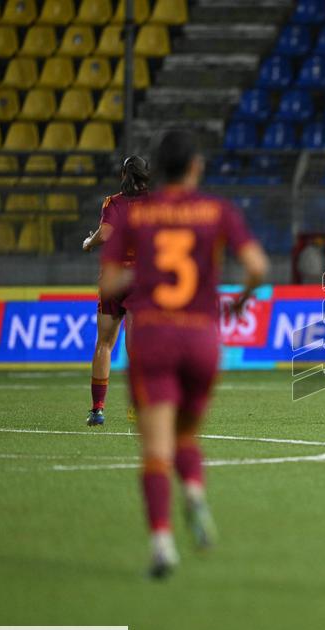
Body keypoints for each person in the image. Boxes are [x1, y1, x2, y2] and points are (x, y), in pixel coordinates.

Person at [100, 130, 269, 577]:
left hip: (153, 336)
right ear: (195, 167)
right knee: (186, 436)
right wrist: (237, 301)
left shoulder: (136, 215)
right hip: (201, 338)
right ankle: (193, 490)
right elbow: (257, 268)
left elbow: (110, 283)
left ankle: (161, 543)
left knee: (156, 449)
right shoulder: (218, 210)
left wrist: (145, 280)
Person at [82, 155, 150, 427]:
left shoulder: (114, 203)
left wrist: (89, 242)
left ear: (123, 173)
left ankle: (97, 410)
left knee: (104, 344)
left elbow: (106, 233)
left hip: (113, 279)